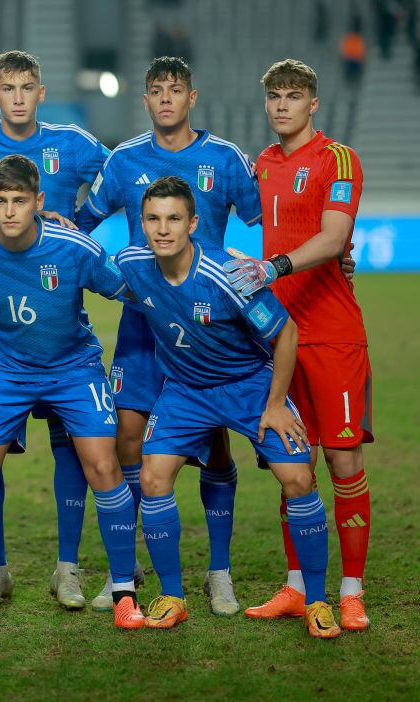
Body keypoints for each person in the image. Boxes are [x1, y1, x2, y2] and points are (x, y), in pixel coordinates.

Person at [0, 155, 143, 629]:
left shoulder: (74, 247)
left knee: (102, 464)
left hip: (73, 368)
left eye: (20, 201)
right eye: (1, 201)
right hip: (4, 370)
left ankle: (124, 591)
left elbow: (131, 289)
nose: (10, 211)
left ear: (40, 201)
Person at [75, 56, 260, 614]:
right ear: (146, 99)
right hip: (143, 322)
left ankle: (219, 571)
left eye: (174, 91)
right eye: (155, 91)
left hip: (209, 329)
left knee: (215, 443)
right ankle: (127, 569)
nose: (164, 100)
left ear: (191, 97)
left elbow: (265, 222)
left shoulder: (225, 159)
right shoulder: (125, 159)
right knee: (127, 439)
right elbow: (84, 224)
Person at [117, 175, 339, 639]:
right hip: (185, 390)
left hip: (249, 385)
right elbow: (79, 261)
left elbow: (286, 335)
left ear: (193, 223)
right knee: (153, 476)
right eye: (153, 219)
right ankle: (173, 595)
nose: (163, 229)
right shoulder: (132, 265)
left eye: (174, 218)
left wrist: (276, 403)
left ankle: (317, 601)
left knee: (298, 477)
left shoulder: (227, 276)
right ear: (141, 223)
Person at [0, 49, 110, 610]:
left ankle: (67, 569)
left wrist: (79, 222)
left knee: (71, 446)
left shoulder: (75, 144)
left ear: (41, 92)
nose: (17, 97)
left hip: (59, 324)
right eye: (7, 87)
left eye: (26, 87)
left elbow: (128, 176)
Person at [224, 59, 372, 632]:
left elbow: (335, 237)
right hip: (280, 334)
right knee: (294, 463)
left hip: (333, 334)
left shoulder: (337, 158)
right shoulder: (262, 163)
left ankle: (351, 591)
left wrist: (274, 265)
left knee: (343, 459)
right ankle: (296, 587)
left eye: (294, 96)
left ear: (314, 104)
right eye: (275, 97)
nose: (283, 105)